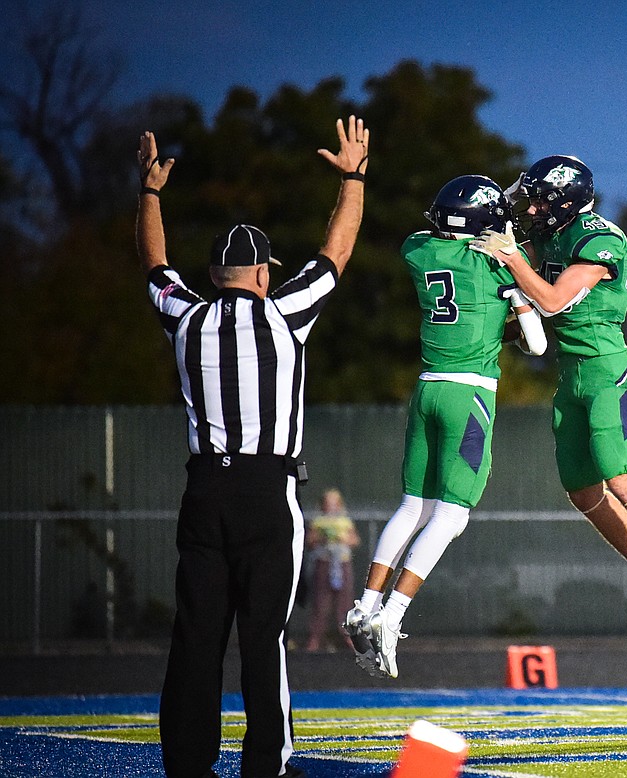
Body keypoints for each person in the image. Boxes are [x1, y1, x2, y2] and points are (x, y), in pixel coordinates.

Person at [137, 115, 368, 778]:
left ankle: (186, 765)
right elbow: (337, 252)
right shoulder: (284, 312)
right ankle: (265, 764)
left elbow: (154, 265)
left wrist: (149, 194)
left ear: (213, 274)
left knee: (196, 637)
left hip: (205, 490)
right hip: (269, 492)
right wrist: (352, 177)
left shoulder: (188, 315)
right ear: (264, 275)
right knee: (263, 638)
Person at [472, 155, 627, 645]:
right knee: (581, 488)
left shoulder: (601, 237)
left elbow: (553, 300)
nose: (529, 209)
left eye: (537, 201)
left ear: (564, 203)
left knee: (622, 478)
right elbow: (526, 295)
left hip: (606, 370)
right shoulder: (551, 233)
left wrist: (514, 259)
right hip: (572, 373)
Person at [344, 175, 546, 679]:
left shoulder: (419, 252)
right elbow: (538, 346)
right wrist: (516, 284)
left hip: (427, 387)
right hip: (470, 392)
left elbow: (431, 236)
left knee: (414, 506)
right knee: (452, 516)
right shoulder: (493, 265)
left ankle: (366, 605)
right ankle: (392, 617)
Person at [305, 488, 360, 652]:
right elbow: (310, 541)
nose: (331, 506)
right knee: (321, 602)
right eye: (328, 503)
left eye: (335, 503)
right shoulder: (318, 521)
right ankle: (314, 639)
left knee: (344, 602)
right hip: (324, 563)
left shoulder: (345, 521)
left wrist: (343, 539)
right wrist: (323, 537)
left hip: (342, 564)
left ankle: (348, 638)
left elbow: (354, 540)